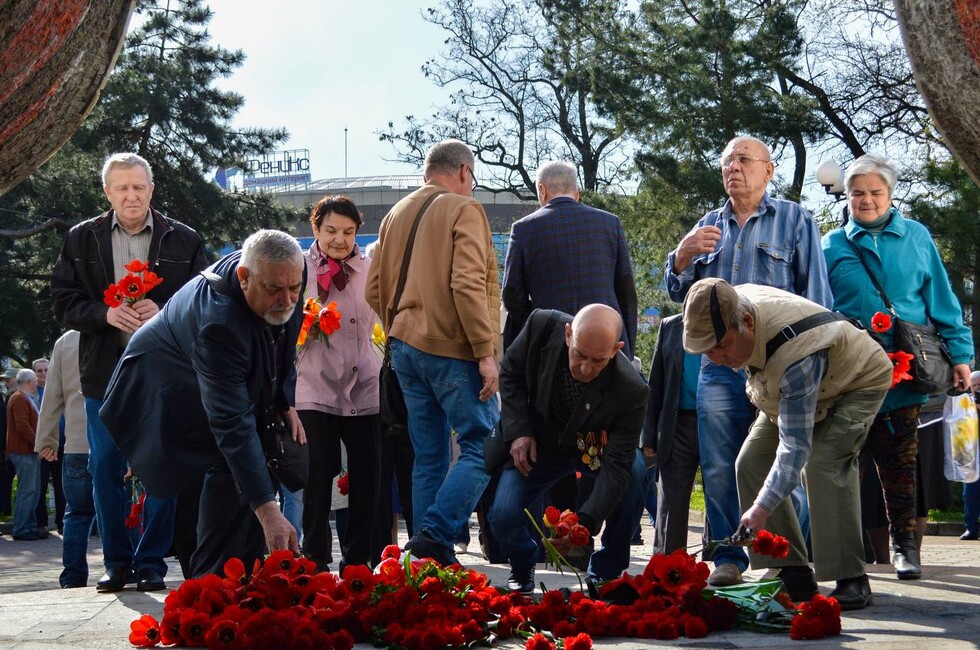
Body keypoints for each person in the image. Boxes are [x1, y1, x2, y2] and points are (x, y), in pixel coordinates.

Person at [664, 135, 831, 587]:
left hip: (778, 363)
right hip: (718, 367)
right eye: (726, 162)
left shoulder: (796, 220)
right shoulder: (706, 227)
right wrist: (681, 257)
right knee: (719, 462)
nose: (733, 168)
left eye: (743, 159)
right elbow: (681, 297)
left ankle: (785, 554)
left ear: (768, 170)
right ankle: (728, 557)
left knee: (783, 457)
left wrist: (816, 361)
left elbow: (817, 298)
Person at [100, 230, 307, 578]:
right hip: (165, 396)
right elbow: (232, 425)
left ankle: (245, 580)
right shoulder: (219, 324)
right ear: (244, 278)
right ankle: (209, 589)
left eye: (294, 288)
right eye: (274, 290)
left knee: (245, 478)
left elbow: (283, 336)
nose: (286, 299)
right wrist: (268, 508)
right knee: (222, 478)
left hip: (208, 384)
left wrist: (283, 400)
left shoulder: (281, 274)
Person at [683, 278, 892, 610]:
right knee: (749, 462)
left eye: (721, 346)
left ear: (747, 322)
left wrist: (761, 509)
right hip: (792, 390)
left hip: (855, 381)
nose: (717, 358)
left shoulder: (796, 354)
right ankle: (792, 570)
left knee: (824, 461)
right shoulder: (730, 307)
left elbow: (795, 447)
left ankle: (852, 578)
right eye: (707, 350)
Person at [51, 152, 208, 592]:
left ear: (151, 189)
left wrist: (166, 309)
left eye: (139, 186)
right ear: (108, 192)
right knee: (104, 468)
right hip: (104, 374)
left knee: (163, 468)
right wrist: (104, 313)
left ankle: (152, 562)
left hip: (163, 374)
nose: (131, 195)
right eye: (122, 188)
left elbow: (206, 299)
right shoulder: (82, 239)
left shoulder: (184, 239)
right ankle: (117, 562)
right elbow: (62, 300)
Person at [822, 154, 973, 580]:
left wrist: (961, 356)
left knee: (900, 465)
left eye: (875, 192)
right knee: (841, 465)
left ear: (890, 195)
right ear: (847, 196)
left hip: (904, 372)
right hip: (848, 373)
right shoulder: (830, 244)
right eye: (857, 193)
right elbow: (818, 304)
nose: (866, 200)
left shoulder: (917, 237)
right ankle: (846, 557)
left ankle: (905, 547)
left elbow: (942, 302)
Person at [366, 139, 500, 567]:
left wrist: (401, 325)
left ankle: (425, 561)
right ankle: (435, 537)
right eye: (473, 178)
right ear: (464, 171)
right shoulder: (464, 209)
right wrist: (485, 352)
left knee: (428, 455)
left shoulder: (394, 214)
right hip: (452, 348)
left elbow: (373, 288)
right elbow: (466, 285)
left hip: (404, 349)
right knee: (486, 442)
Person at [488, 305, 648, 594]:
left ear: (616, 350)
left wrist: (584, 523)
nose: (586, 369)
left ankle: (605, 571)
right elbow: (510, 373)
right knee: (503, 514)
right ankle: (523, 564)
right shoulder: (540, 326)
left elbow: (617, 467)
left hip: (594, 451)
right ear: (567, 334)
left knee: (634, 472)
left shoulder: (632, 390)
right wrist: (519, 431)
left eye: (598, 361)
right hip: (538, 443)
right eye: (579, 355)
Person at [296, 195, 381, 571]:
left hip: (364, 383)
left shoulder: (370, 269)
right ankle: (314, 557)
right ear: (315, 229)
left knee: (367, 472)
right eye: (331, 230)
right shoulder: (298, 267)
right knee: (318, 471)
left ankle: (358, 559)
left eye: (348, 232)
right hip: (314, 383)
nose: (339, 239)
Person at [501, 160, 637, 356]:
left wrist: (534, 321)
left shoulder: (523, 229)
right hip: (607, 342)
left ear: (542, 190)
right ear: (577, 193)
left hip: (551, 342)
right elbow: (626, 292)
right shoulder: (609, 223)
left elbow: (512, 293)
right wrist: (627, 344)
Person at [35, 330, 93, 587]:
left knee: (77, 512)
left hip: (76, 441)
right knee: (122, 510)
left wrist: (46, 440)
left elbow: (52, 395)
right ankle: (130, 567)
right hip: (114, 441)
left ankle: (73, 575)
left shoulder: (66, 341)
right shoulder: (120, 326)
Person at [641, 314, 702, 556]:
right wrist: (648, 436)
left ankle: (724, 560)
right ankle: (668, 562)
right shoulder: (670, 326)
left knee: (720, 496)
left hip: (716, 421)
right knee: (672, 500)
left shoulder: (727, 320)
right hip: (677, 423)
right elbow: (655, 382)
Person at [6, 369, 43, 540]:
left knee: (32, 490)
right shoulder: (20, 398)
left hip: (28, 451)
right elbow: (22, 426)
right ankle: (21, 528)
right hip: (23, 451)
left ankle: (29, 526)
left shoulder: (24, 397)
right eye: (35, 379)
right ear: (29, 382)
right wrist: (38, 444)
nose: (37, 381)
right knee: (27, 490)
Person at [33, 356, 65, 534]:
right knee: (41, 485)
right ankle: (41, 524)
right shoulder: (31, 391)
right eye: (40, 371)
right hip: (43, 447)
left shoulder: (58, 388)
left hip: (62, 444)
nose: (44, 373)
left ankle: (62, 523)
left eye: (46, 370)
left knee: (62, 486)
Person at [962, 371, 980, 540]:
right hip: (972, 455)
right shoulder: (965, 405)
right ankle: (971, 528)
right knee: (970, 493)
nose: (977, 389)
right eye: (974, 386)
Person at [0, 367, 17, 518]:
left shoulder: (15, 397)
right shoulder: (6, 397)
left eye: (8, 379)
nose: (6, 382)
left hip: (16, 448)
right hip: (8, 448)